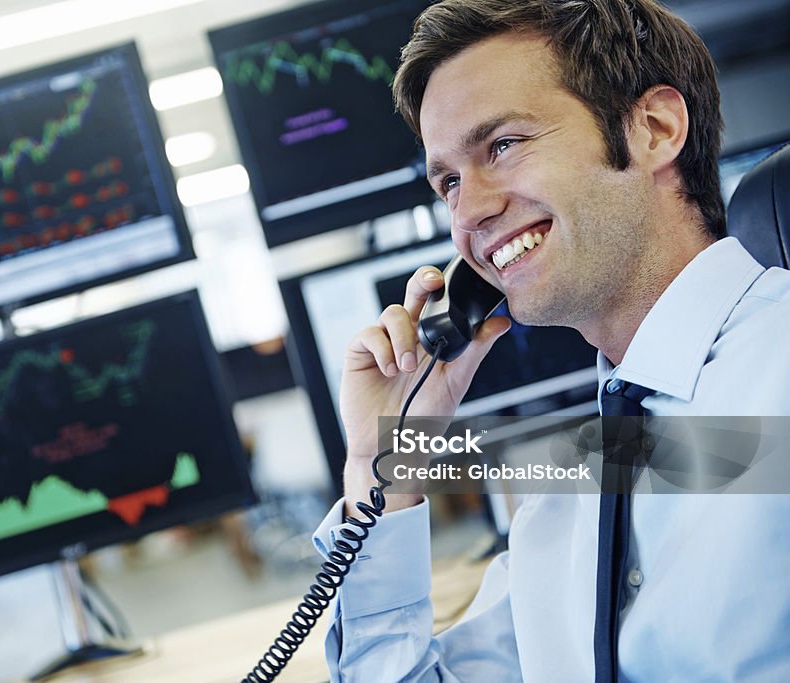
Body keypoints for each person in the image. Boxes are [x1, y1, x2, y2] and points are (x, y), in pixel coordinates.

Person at [312, 0, 790, 680]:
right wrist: (380, 466)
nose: (469, 212)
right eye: (448, 182)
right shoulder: (567, 496)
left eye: (501, 146)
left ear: (654, 128)